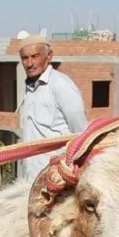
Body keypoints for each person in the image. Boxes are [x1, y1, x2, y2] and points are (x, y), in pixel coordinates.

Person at [17, 35, 88, 182]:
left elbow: (81, 135)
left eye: (35, 56)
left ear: (49, 56)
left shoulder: (61, 86)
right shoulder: (31, 88)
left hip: (56, 179)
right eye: (25, 58)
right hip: (30, 179)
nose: (29, 63)